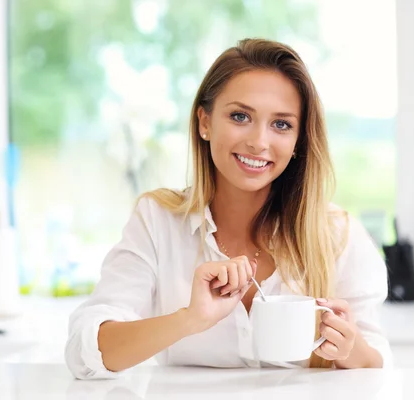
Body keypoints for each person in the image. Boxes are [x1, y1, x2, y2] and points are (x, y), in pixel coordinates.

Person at [65, 38, 392, 380]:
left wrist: (349, 349)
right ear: (205, 122)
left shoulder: (337, 233)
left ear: (299, 139)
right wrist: (190, 318)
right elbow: (84, 355)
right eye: (240, 116)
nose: (259, 142)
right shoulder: (157, 220)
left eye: (281, 124)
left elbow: (378, 368)